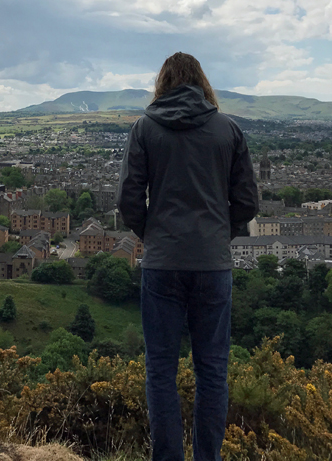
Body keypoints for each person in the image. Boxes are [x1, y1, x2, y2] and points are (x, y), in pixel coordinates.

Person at [117, 52, 259, 461]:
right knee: (212, 371)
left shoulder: (145, 128)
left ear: (163, 82)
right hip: (212, 265)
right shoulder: (227, 129)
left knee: (160, 370)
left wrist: (154, 234)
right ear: (201, 82)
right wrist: (219, 234)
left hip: (162, 263)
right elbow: (247, 202)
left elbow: (128, 200)